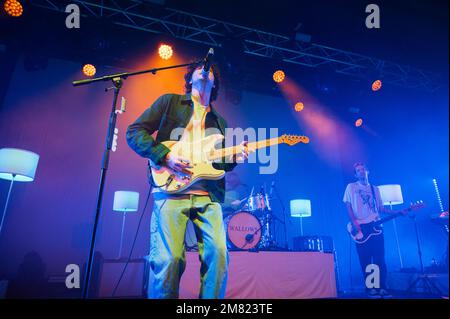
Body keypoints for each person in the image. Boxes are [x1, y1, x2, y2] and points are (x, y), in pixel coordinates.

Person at [126, 62, 249, 299]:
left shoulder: (220, 122)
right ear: (190, 79)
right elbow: (134, 132)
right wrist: (166, 155)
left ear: (214, 84)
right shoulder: (170, 102)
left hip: (208, 197)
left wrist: (235, 157)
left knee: (219, 255)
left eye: (210, 70)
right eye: (200, 68)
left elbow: (219, 166)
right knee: (170, 260)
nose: (205, 70)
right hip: (171, 192)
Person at [343, 162, 405, 299]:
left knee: (379, 259)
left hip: (376, 225)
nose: (361, 171)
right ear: (355, 174)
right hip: (360, 226)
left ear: (367, 172)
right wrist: (355, 223)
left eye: (363, 169)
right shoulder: (351, 187)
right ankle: (371, 288)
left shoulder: (375, 189)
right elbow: (348, 206)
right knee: (365, 259)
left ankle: (382, 287)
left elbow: (381, 209)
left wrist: (398, 212)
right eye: (358, 170)